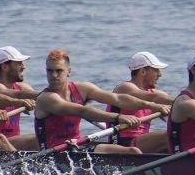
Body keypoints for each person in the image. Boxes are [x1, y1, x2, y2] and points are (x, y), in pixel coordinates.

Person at [34, 49, 163, 154]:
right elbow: (83, 111)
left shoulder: (83, 88)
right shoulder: (46, 98)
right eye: (50, 71)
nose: (54, 76)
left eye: (59, 71)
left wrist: (152, 105)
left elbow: (118, 99)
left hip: (77, 146)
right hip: (53, 154)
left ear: (69, 71)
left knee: (133, 152)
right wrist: (119, 117)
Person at [107, 51, 177, 154]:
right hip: (122, 143)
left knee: (179, 134)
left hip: (141, 142)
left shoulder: (154, 94)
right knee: (167, 137)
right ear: (143, 71)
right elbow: (153, 97)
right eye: (156, 70)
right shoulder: (124, 88)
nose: (160, 75)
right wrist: (184, 102)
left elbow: (163, 98)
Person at [0, 46, 41, 149]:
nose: (23, 67)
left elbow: (41, 97)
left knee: (44, 137)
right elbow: (16, 95)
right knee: (35, 140)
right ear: (5, 67)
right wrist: (22, 102)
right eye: (19, 63)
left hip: (12, 142)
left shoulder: (23, 87)